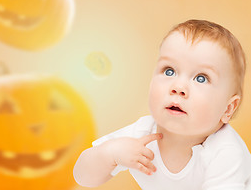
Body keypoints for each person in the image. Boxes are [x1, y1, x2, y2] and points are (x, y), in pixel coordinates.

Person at [73, 19, 251, 190]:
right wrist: (111, 153)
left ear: (227, 109)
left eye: (201, 78)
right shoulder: (143, 133)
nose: (178, 87)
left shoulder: (225, 152)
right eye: (169, 71)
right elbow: (83, 177)